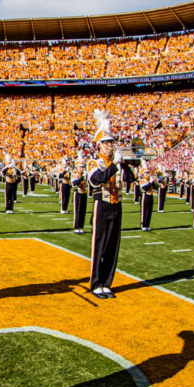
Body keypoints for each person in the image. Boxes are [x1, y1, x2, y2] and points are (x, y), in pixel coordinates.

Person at [87, 110, 133, 299]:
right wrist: (114, 164)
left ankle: (107, 283)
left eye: (111, 142)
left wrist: (125, 163)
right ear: (99, 145)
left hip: (117, 205)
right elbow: (99, 179)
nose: (110, 145)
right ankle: (96, 283)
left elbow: (131, 178)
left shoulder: (116, 163)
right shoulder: (94, 162)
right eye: (106, 143)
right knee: (100, 246)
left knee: (114, 246)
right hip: (102, 206)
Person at [71, 155, 87, 234]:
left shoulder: (83, 174)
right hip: (78, 193)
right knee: (78, 210)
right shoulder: (75, 174)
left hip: (84, 193)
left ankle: (81, 226)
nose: (82, 168)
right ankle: (77, 227)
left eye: (82, 167)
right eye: (80, 167)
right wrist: (82, 178)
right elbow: (75, 183)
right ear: (77, 167)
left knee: (83, 211)